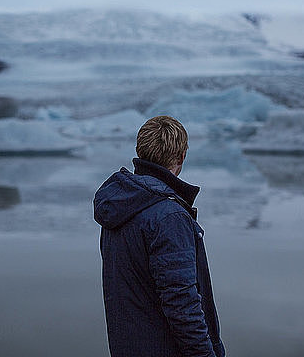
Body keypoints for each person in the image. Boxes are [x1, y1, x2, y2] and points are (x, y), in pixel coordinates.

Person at [93, 115, 225, 357]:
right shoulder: (168, 216)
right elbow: (182, 303)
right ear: (182, 156)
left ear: (140, 151)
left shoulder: (121, 205)